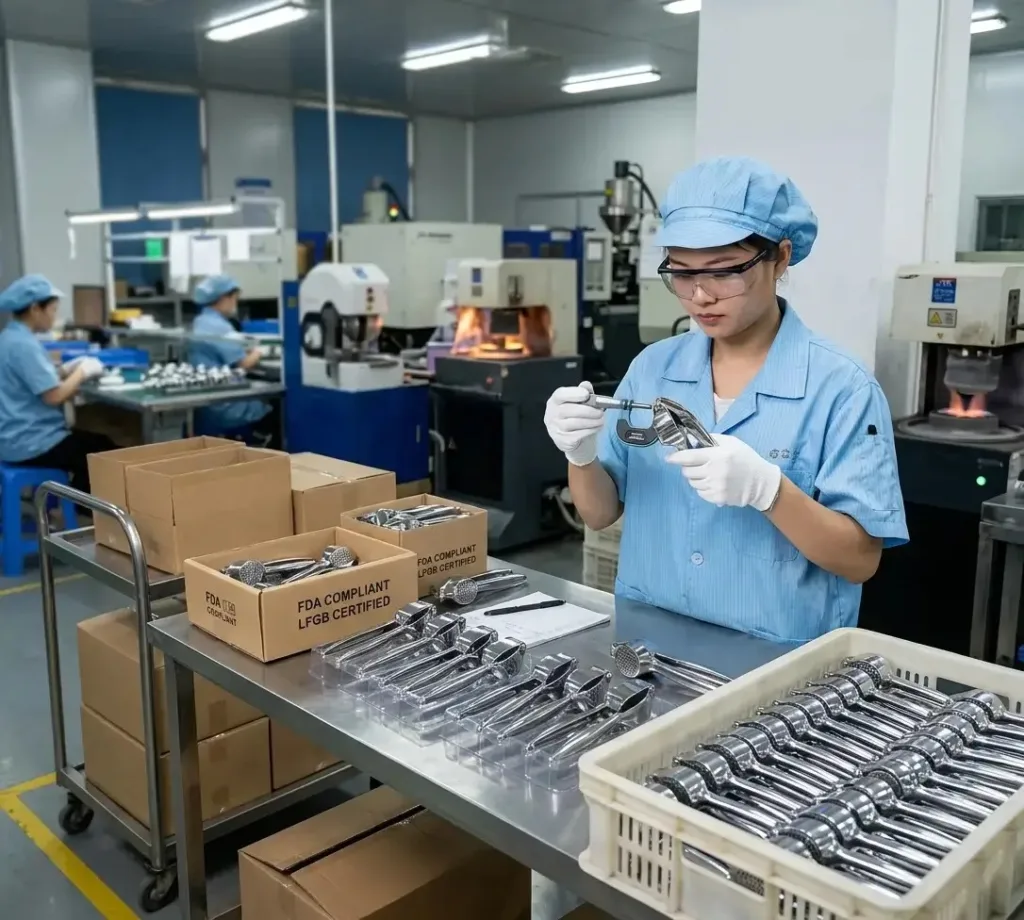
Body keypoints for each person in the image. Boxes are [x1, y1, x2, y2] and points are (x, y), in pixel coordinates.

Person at [544, 156, 908, 644]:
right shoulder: (653, 368)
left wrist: (770, 492)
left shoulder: (842, 389)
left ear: (779, 258)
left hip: (781, 663)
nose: (699, 296)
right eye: (681, 272)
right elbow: (600, 513)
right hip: (649, 643)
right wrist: (580, 453)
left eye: (723, 272)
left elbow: (860, 560)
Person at [0, 274, 113, 491]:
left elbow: (29, 379)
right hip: (31, 442)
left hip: (11, 438)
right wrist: (81, 372)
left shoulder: (9, 338)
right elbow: (53, 396)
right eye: (52, 310)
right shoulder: (24, 345)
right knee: (103, 453)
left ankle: (65, 509)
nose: (54, 317)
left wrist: (63, 371)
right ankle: (81, 512)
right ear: (35, 309)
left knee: (94, 443)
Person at [187, 274, 278, 447]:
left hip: (207, 400)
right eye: (234, 299)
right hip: (226, 403)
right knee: (277, 402)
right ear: (223, 298)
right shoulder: (218, 327)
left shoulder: (201, 321)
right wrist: (260, 351)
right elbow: (244, 364)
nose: (235, 304)